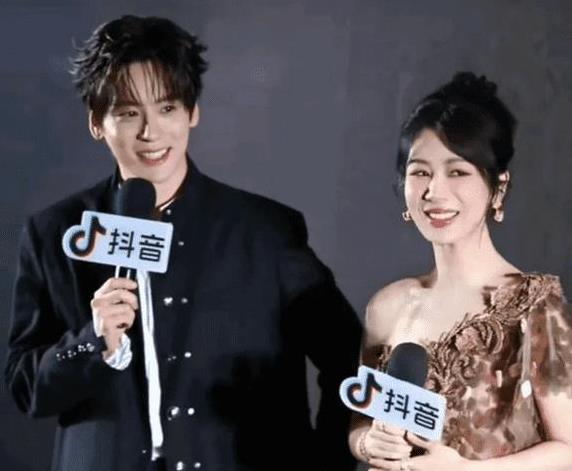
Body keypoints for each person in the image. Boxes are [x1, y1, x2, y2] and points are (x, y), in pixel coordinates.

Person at [4, 15, 361, 471]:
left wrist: (325, 463)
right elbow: (24, 386)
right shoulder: (55, 233)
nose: (150, 132)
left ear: (192, 112)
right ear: (96, 121)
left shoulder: (266, 232)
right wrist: (91, 342)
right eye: (128, 113)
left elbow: (348, 359)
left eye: (167, 108)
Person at [348, 72, 572, 471]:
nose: (435, 192)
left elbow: (569, 448)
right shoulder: (388, 305)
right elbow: (361, 421)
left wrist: (465, 470)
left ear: (497, 188)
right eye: (420, 172)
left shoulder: (534, 306)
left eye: (458, 172)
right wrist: (367, 444)